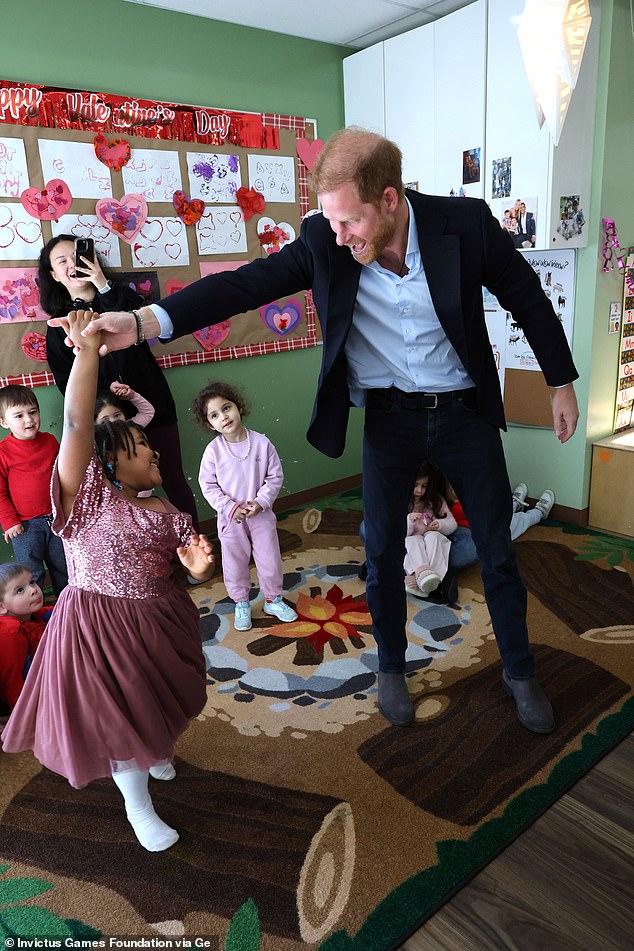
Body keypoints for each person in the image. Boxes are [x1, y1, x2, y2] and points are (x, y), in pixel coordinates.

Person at [61, 127, 580, 734]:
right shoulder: (324, 239)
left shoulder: (462, 224)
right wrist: (147, 320)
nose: (338, 237)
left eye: (350, 222)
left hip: (465, 413)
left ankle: (519, 671)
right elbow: (243, 285)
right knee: (381, 552)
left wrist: (559, 382)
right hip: (389, 417)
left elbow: (526, 293)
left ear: (390, 199)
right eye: (330, 223)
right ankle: (390, 665)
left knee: (496, 549)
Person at [1, 310, 215, 852]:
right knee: (122, 711)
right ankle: (137, 805)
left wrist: (198, 567)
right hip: (100, 624)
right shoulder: (86, 496)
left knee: (158, 698)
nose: (157, 453)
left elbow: (189, 561)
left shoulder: (166, 506)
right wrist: (87, 355)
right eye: (146, 450)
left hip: (160, 618)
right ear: (113, 461)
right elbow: (75, 423)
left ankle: (157, 749)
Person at [40, 235, 198, 525]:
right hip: (107, 422)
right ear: (53, 275)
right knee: (120, 493)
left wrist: (102, 282)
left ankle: (195, 552)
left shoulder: (119, 296)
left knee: (173, 479)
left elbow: (141, 318)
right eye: (61, 261)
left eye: (76, 256)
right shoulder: (58, 325)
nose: (71, 264)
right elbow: (68, 384)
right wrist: (107, 396)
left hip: (153, 404)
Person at [193, 381, 298, 632]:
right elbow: (207, 485)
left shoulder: (262, 443)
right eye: (215, 415)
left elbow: (275, 477)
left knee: (269, 559)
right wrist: (229, 507)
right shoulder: (213, 452)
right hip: (231, 519)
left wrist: (261, 502)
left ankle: (273, 599)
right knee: (234, 561)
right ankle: (241, 602)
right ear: (210, 424)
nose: (224, 417)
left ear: (238, 407)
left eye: (226, 408)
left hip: (260, 516)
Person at [0, 384, 68, 596]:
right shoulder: (3, 451)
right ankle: (34, 618)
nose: (29, 420)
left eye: (33, 412)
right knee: (31, 574)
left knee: (63, 568)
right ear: (4, 422)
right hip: (24, 525)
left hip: (56, 518)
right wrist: (10, 521)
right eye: (18, 415)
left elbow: (63, 477)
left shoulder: (49, 441)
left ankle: (67, 609)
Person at [448, 481, 556, 570]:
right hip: (480, 531)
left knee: (504, 514)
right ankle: (539, 512)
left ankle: (514, 504)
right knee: (518, 522)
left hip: (487, 519)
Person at [0, 563, 52, 715]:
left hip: (31, 675)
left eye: (32, 582)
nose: (33, 590)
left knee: (59, 615)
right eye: (20, 590)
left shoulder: (26, 614)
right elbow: (12, 680)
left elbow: (51, 612)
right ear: (2, 607)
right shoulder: (10, 633)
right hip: (16, 694)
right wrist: (23, 716)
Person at [404, 462, 457, 598]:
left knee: (433, 537)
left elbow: (452, 524)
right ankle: (431, 581)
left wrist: (439, 524)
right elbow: (397, 533)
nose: (419, 491)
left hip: (434, 542)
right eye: (415, 485)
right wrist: (410, 520)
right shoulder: (401, 500)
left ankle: (422, 579)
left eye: (424, 486)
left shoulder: (435, 500)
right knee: (413, 540)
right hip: (410, 543)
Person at [95, 382, 155, 500]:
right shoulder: (96, 443)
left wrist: (132, 396)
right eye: (105, 420)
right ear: (94, 424)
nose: (113, 422)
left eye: (117, 415)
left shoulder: (130, 429)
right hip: (116, 501)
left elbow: (148, 412)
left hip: (143, 495)